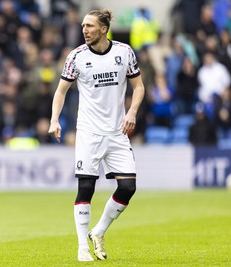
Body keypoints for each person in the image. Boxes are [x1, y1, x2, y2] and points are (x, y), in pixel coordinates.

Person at [48, 9, 145, 262]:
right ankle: (82, 247)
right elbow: (61, 91)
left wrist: (132, 112)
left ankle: (98, 231)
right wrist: (54, 119)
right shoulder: (76, 57)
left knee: (128, 186)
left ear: (104, 28)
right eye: (83, 26)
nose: (85, 30)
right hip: (89, 132)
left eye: (90, 26)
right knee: (86, 187)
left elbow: (139, 87)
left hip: (117, 131)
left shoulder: (124, 53)